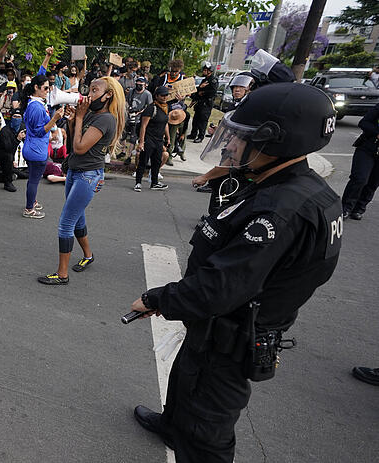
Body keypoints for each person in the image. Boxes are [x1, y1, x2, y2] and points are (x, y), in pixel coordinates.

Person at [129, 82, 342, 463]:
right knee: (184, 377)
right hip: (216, 327)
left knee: (206, 431)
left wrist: (156, 298)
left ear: (275, 143)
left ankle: (185, 433)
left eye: (243, 139)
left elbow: (221, 287)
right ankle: (171, 424)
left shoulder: (279, 211)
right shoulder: (295, 187)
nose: (231, 146)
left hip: (230, 337)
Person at [39, 77, 124, 285]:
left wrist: (79, 118)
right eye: (90, 89)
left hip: (87, 176)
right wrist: (72, 121)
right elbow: (73, 140)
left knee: (65, 224)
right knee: (77, 219)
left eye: (95, 90)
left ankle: (62, 274)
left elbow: (79, 148)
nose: (89, 94)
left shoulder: (105, 119)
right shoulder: (92, 115)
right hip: (76, 172)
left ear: (108, 95)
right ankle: (88, 255)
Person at [22, 75, 65, 218]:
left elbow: (40, 73)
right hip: (37, 150)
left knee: (33, 179)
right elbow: (40, 132)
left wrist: (47, 57)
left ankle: (31, 202)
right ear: (36, 87)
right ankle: (29, 209)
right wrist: (55, 119)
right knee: (34, 180)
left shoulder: (33, 103)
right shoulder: (37, 108)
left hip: (31, 148)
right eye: (45, 88)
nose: (48, 90)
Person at [340, 102, 379, 220]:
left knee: (373, 183)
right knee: (360, 178)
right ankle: (345, 208)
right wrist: (377, 133)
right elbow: (363, 123)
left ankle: (359, 209)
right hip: (367, 148)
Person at [135, 86, 171, 192]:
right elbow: (143, 126)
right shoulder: (151, 108)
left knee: (156, 162)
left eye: (166, 95)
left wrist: (168, 138)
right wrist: (141, 141)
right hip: (149, 139)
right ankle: (138, 182)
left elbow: (165, 124)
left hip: (159, 140)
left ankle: (154, 183)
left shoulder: (165, 108)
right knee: (143, 161)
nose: (164, 97)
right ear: (156, 96)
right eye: (162, 95)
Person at [0, 106, 24, 192]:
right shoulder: (5, 131)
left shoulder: (22, 128)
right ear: (11, 117)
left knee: (22, 173)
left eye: (19, 117)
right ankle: (8, 183)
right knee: (8, 158)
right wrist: (17, 140)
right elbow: (8, 148)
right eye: (15, 116)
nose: (17, 119)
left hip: (13, 156)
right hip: (0, 154)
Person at [189, 62, 218, 142]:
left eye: (205, 70)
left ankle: (200, 137)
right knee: (195, 120)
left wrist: (203, 92)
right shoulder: (205, 80)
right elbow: (198, 91)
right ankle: (193, 134)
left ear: (209, 71)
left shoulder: (213, 80)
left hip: (206, 104)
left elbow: (213, 92)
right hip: (200, 103)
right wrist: (197, 94)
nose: (203, 72)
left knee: (202, 121)